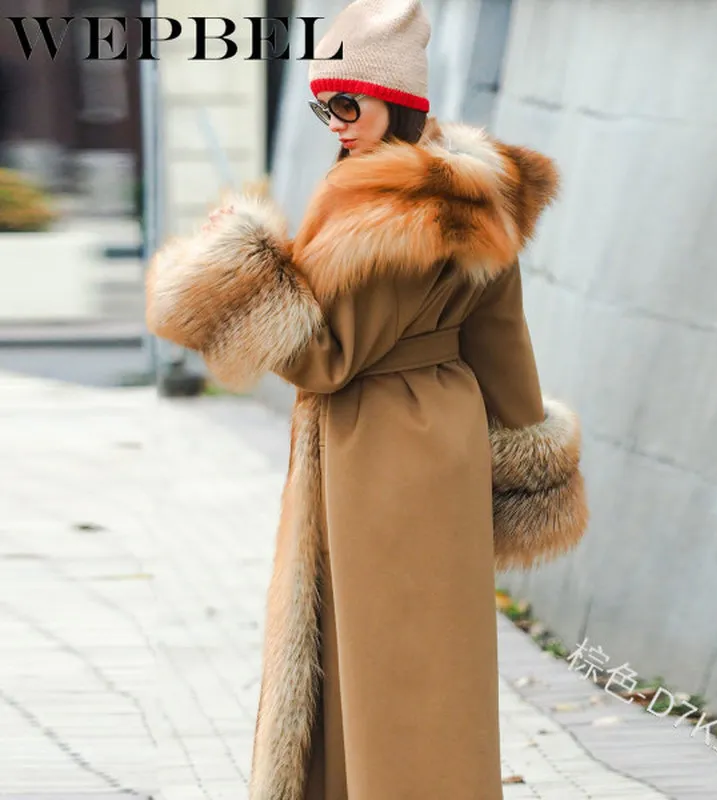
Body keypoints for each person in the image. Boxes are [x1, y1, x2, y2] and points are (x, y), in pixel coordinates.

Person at [145, 1, 588, 798]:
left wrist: (235, 268)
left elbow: (325, 359)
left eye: (348, 103)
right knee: (436, 656)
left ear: (399, 99)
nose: (337, 124)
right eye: (324, 106)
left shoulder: (383, 209)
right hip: (447, 438)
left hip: (379, 445)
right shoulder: (483, 193)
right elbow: (502, 339)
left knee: (383, 663)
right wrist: (527, 447)